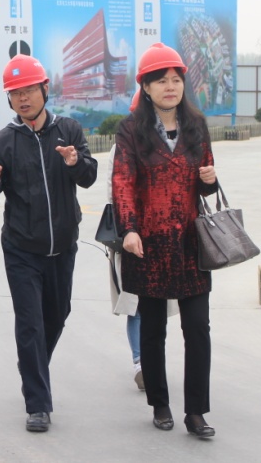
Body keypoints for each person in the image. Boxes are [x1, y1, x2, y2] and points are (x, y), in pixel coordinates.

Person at [0, 54, 98, 433]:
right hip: (21, 249)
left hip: (62, 245)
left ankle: (32, 362)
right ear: (9, 99)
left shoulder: (69, 130)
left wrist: (76, 162)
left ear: (45, 89)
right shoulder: (3, 141)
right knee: (29, 323)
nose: (23, 98)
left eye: (29, 90)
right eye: (16, 93)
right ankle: (38, 404)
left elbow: (89, 177)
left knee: (56, 316)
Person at [111, 43, 218, 438]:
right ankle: (160, 403)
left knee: (198, 328)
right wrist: (129, 229)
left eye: (175, 80)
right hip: (148, 243)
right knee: (153, 328)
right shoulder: (130, 130)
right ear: (146, 86)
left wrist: (211, 181)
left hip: (190, 243)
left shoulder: (197, 126)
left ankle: (196, 412)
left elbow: (206, 182)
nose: (170, 87)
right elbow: (123, 182)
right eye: (161, 81)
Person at [107, 90, 144, 391]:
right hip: (130, 237)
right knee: (136, 303)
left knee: (152, 305)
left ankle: (149, 359)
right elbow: (114, 194)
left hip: (161, 237)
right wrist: (126, 228)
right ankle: (141, 362)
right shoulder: (120, 147)